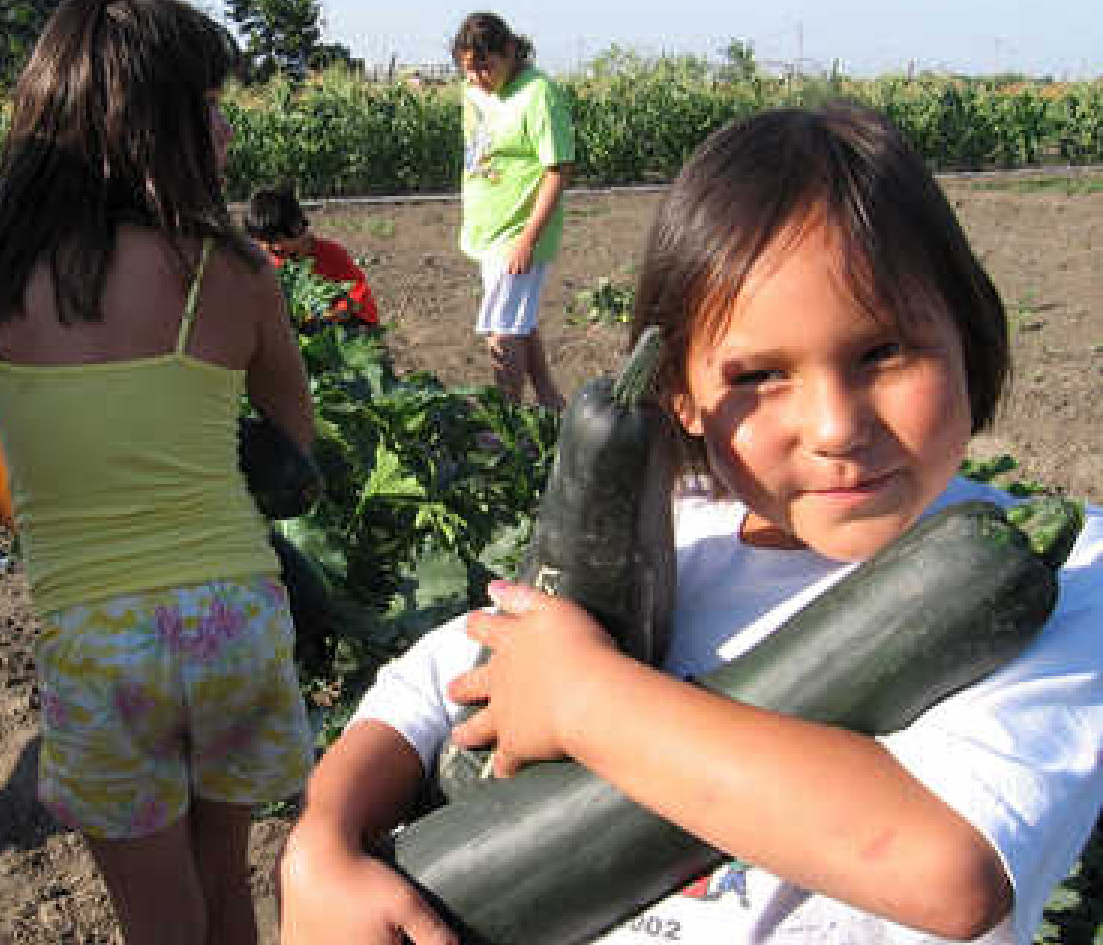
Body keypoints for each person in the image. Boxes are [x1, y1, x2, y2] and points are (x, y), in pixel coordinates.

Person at [278, 103, 1102, 944]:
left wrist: (588, 696)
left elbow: (946, 874)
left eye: (883, 352)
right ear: (681, 395)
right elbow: (428, 690)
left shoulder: (1060, 581)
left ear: (970, 330)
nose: (834, 426)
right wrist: (323, 844)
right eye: (759, 374)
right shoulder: (663, 533)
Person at [0, 2, 317, 942]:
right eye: (207, 106)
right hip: (235, 618)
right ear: (152, 126)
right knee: (226, 887)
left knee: (160, 919)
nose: (224, 129)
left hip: (97, 631)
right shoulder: (231, 273)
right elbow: (296, 447)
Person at [453, 12, 575, 408]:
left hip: (519, 232)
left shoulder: (539, 94)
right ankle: (550, 402)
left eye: (484, 67)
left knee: (501, 329)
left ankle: (508, 423)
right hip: (488, 228)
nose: (476, 77)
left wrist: (526, 239)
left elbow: (557, 169)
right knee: (518, 319)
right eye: (468, 69)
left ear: (509, 52)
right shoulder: (473, 92)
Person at [243, 185, 380, 329]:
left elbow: (358, 295)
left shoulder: (330, 255)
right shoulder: (267, 262)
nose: (272, 248)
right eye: (263, 242)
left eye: (277, 240)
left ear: (297, 228)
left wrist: (332, 316)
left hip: (343, 329)